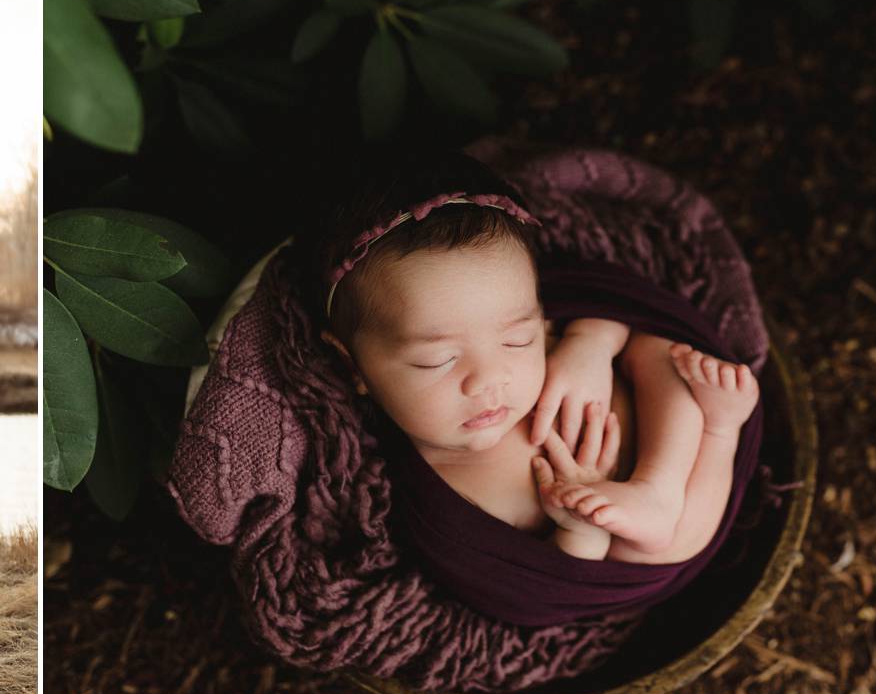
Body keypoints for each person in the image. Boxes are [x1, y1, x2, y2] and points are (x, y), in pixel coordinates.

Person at [318, 157, 760, 566]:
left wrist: (591, 343)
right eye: (438, 360)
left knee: (657, 350)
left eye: (517, 341)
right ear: (353, 365)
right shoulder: (444, 501)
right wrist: (581, 531)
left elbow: (612, 306)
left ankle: (674, 472)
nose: (491, 380)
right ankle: (719, 437)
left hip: (670, 450)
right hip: (641, 529)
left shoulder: (548, 334)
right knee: (663, 547)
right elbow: (546, 587)